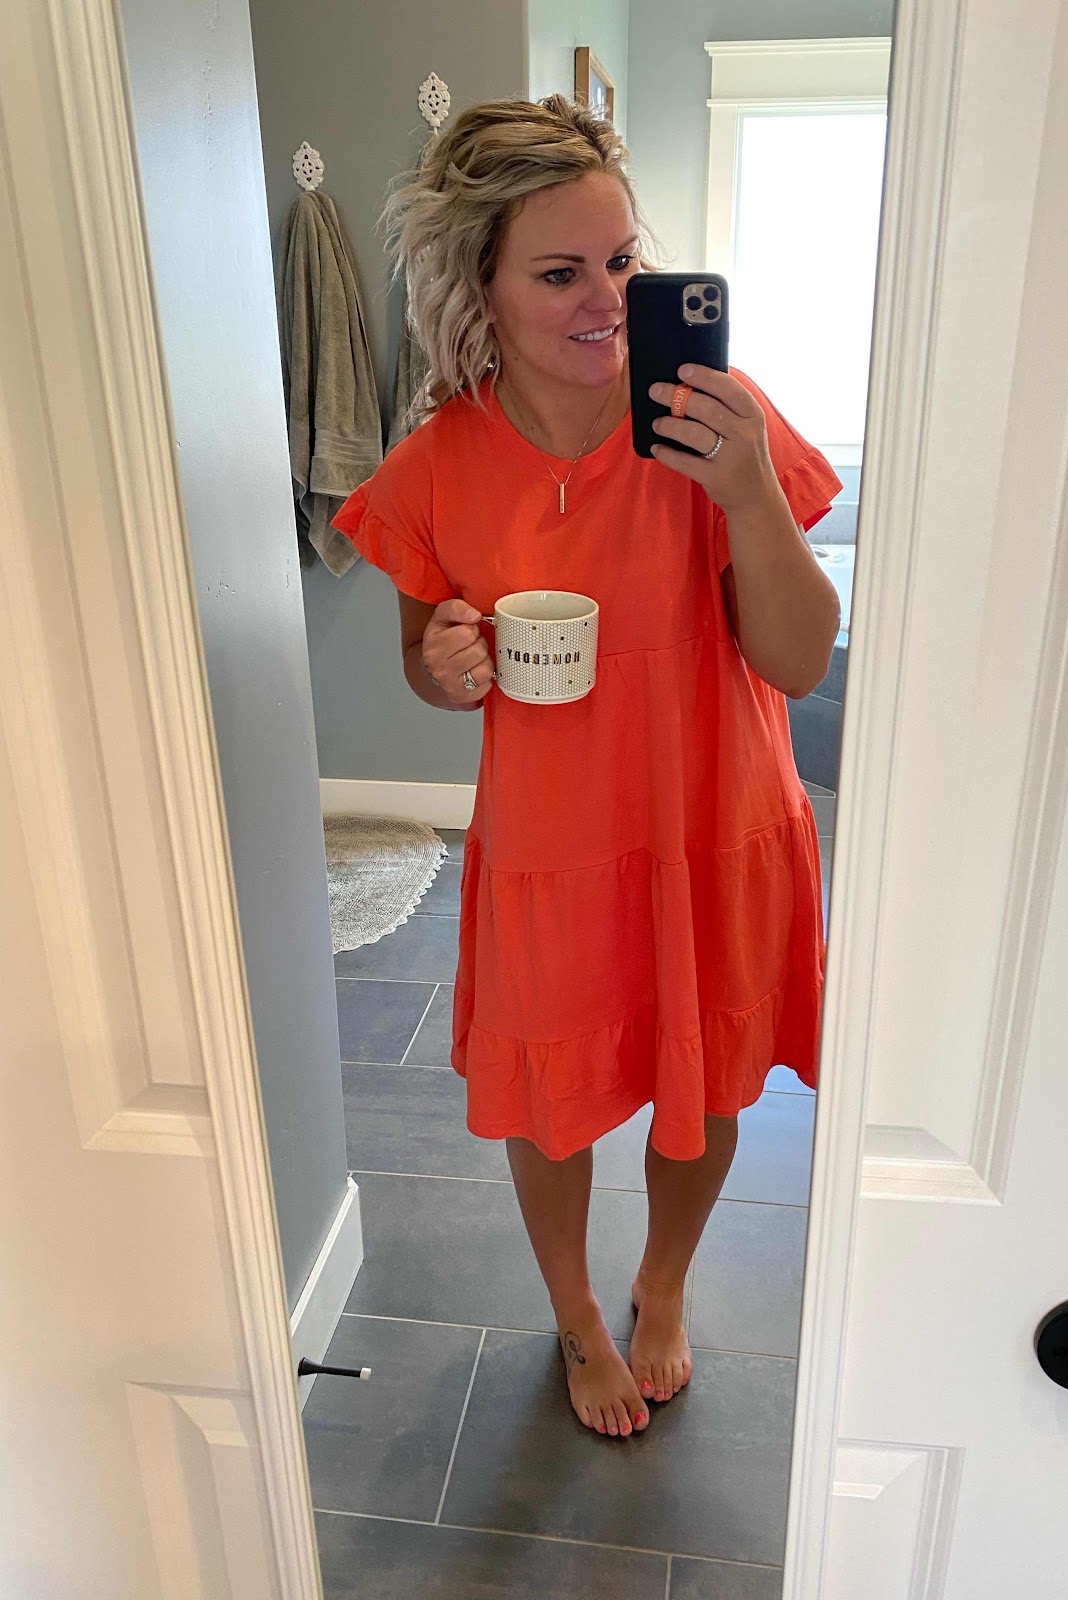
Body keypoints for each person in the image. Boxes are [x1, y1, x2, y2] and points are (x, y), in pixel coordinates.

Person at [333, 95, 842, 1441]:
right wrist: (448, 665)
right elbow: (424, 661)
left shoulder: (718, 419)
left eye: (622, 261)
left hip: (716, 821)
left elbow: (800, 660)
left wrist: (745, 490)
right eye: (560, 272)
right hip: (554, 849)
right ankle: (574, 1316)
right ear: (481, 290)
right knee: (551, 1103)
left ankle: (662, 1283)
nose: (607, 299)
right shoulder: (437, 468)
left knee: (706, 1083)